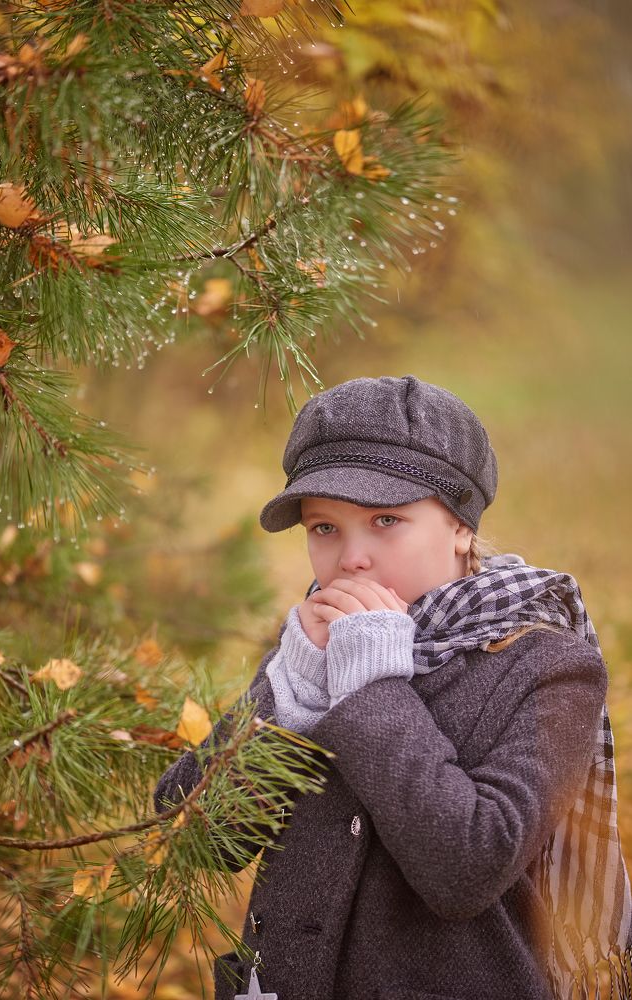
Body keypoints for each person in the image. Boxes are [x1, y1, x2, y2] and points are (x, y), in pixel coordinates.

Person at [154, 374, 632, 1000]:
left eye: (386, 519)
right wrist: (286, 694)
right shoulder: (314, 648)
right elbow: (195, 839)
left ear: (461, 525)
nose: (351, 557)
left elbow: (468, 867)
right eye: (324, 527)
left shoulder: (545, 664)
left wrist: (372, 685)